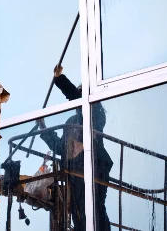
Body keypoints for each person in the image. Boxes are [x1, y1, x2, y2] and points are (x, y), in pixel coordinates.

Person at [39, 65, 113, 231]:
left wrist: (60, 79)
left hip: (93, 167)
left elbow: (78, 99)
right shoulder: (71, 121)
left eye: (82, 94)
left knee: (94, 205)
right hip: (73, 169)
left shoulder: (96, 114)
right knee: (77, 209)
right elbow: (60, 147)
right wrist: (43, 128)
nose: (78, 98)